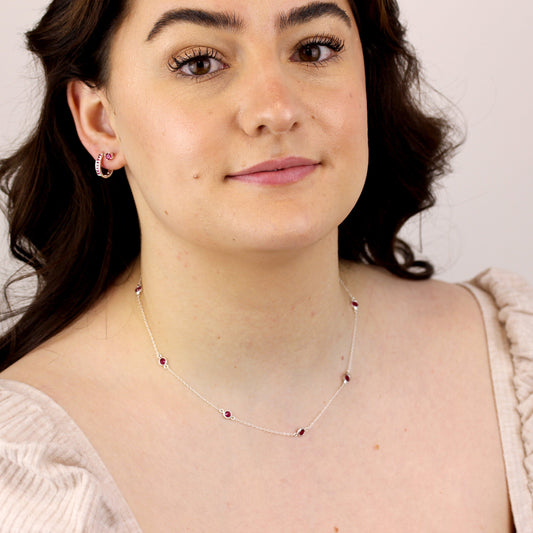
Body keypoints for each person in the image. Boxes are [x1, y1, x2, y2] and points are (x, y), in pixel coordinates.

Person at [0, 0, 531, 531]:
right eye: (199, 63)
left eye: (314, 49)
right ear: (100, 122)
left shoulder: (514, 356)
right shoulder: (27, 475)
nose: (277, 110)